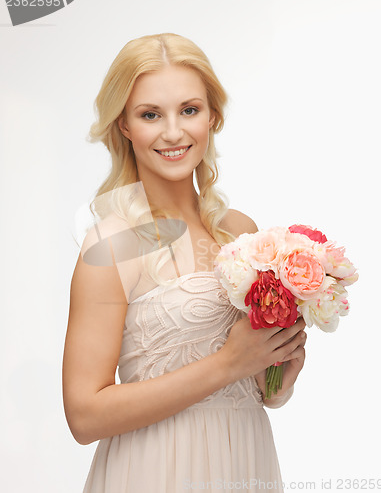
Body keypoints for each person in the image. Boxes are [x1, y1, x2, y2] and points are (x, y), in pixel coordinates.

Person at [62, 33, 307, 493]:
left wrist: (277, 379)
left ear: (212, 116)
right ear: (124, 126)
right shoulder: (112, 244)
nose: (173, 132)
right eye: (150, 114)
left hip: (243, 462)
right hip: (155, 471)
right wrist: (229, 364)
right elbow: (83, 416)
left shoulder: (239, 230)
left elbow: (259, 389)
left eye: (189, 110)